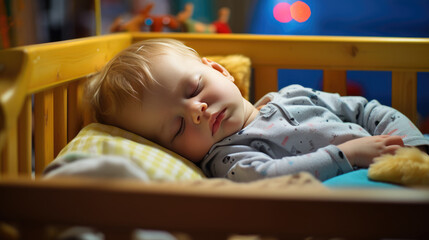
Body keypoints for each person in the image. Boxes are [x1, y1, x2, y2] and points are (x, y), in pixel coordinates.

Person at [86, 38, 429, 182]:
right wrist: (346, 155)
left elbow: (366, 111)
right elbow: (270, 178)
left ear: (220, 70)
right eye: (177, 128)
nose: (196, 111)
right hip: (348, 193)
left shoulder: (294, 94)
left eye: (193, 89)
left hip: (403, 164)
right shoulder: (228, 159)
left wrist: (414, 144)